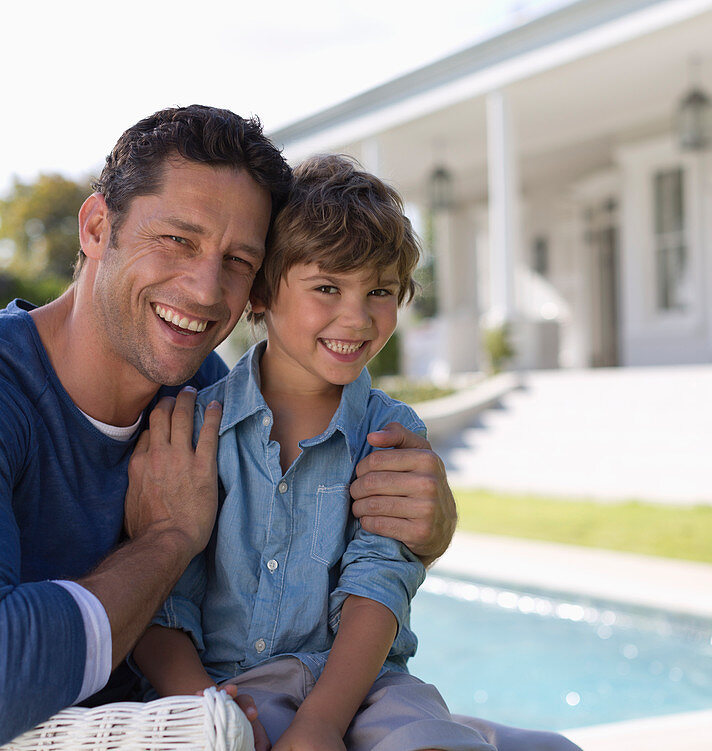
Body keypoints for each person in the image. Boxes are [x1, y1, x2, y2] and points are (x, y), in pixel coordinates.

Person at [0, 106, 456, 748]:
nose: (206, 290)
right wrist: (168, 537)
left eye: (238, 260)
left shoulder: (208, 396)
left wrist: (426, 519)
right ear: (97, 227)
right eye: (177, 241)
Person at [133, 154, 498, 751]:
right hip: (223, 687)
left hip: (362, 688)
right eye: (327, 287)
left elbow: (379, 584)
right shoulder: (195, 427)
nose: (356, 316)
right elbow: (161, 598)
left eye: (379, 290)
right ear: (261, 296)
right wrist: (206, 711)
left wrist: (323, 720)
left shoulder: (389, 430)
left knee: (433, 738)